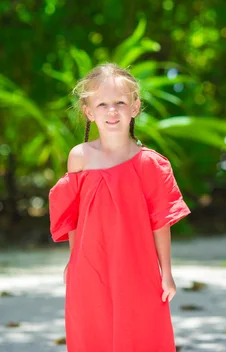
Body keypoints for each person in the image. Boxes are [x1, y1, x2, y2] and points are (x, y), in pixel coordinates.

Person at [48, 63, 191, 352]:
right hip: (90, 266)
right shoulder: (80, 157)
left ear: (135, 107)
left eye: (120, 103)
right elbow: (73, 216)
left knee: (139, 332)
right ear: (89, 111)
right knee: (93, 332)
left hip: (137, 266)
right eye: (102, 104)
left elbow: (160, 222)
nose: (112, 111)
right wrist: (73, 260)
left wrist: (166, 272)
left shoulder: (150, 163)